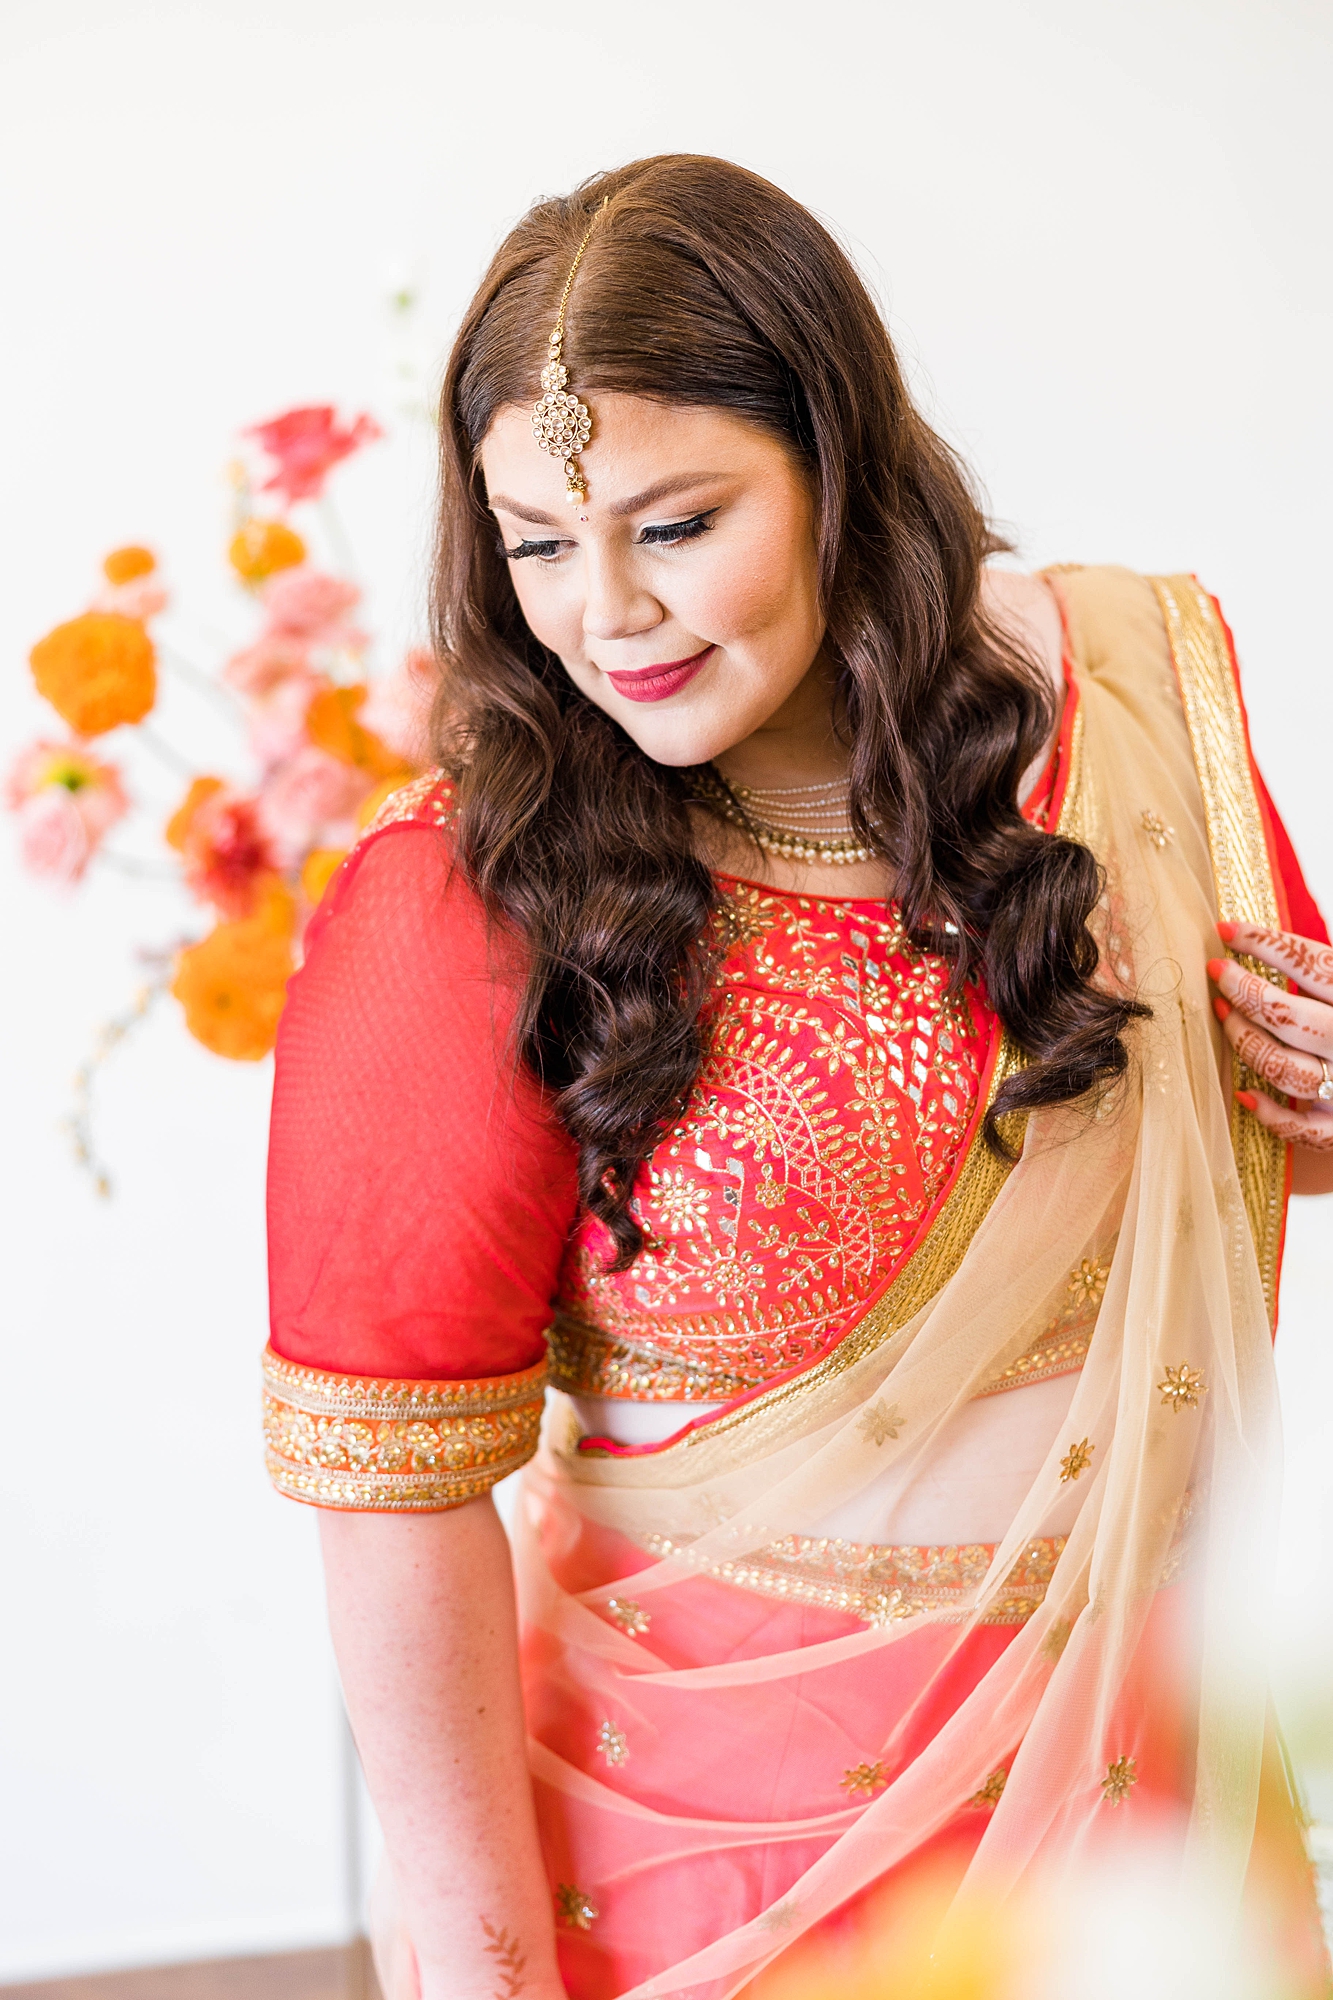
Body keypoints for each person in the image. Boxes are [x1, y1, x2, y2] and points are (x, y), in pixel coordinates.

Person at [261, 156, 1333, 1999]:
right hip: (708, 1863)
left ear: (838, 465)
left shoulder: (1132, 703)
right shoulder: (462, 901)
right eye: (536, 541)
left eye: (675, 526)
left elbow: (1232, 1149)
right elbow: (394, 1493)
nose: (604, 618)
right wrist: (480, 1959)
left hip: (1135, 1795)